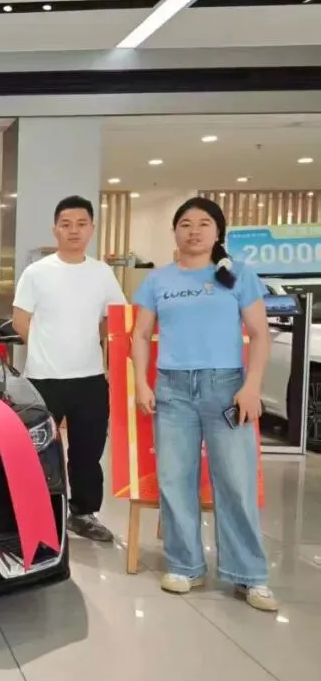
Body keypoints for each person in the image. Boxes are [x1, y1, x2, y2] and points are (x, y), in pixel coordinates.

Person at [131, 197, 276, 612]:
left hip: (226, 388)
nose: (194, 231)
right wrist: (141, 383)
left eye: (204, 223)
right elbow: (140, 334)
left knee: (236, 482)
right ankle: (184, 565)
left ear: (218, 232)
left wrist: (252, 386)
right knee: (175, 480)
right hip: (172, 390)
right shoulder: (158, 280)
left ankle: (249, 574)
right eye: (185, 224)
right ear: (175, 231)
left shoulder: (238, 275)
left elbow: (260, 334)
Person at [11, 195, 125, 543]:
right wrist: (46, 348)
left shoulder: (102, 273)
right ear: (55, 229)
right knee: (36, 450)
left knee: (88, 452)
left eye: (81, 224)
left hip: (90, 379)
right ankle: (34, 513)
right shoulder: (37, 272)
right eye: (66, 224)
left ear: (92, 228)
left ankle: (83, 514)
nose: (73, 230)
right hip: (43, 378)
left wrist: (94, 346)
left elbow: (115, 319)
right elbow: (20, 320)